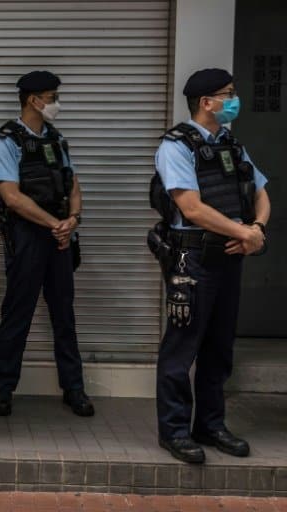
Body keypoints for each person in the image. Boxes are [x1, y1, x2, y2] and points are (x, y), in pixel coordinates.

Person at [150, 68, 270, 464]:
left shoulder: (231, 144)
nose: (234, 100)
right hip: (194, 258)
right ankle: (175, 430)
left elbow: (260, 192)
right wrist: (246, 232)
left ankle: (211, 425)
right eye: (228, 94)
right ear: (207, 102)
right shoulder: (176, 146)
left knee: (219, 349)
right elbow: (191, 207)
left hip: (231, 257)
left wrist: (255, 229)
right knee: (181, 349)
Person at [0, 71, 93, 419]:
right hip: (28, 237)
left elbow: (73, 185)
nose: (56, 103)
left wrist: (72, 221)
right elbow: (11, 196)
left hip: (60, 237)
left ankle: (73, 389)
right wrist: (54, 224)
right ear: (34, 100)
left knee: (65, 314)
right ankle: (3, 389)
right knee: (17, 313)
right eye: (52, 96)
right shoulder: (8, 140)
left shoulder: (57, 140)